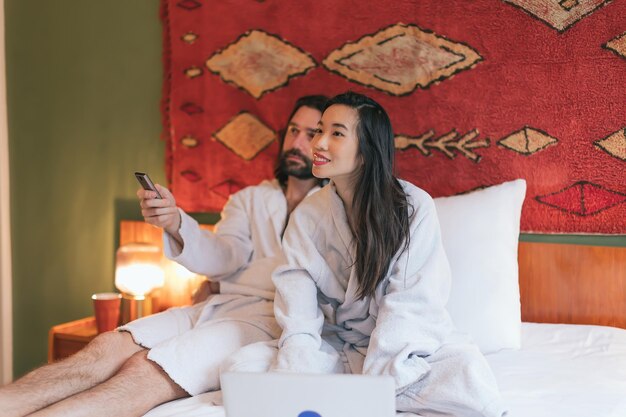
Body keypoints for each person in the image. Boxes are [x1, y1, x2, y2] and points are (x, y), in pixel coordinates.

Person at [0, 94, 328, 417]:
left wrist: (226, 282)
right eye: (293, 130)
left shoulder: (333, 210)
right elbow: (224, 257)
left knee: (143, 371)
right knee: (104, 348)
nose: (297, 141)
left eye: (311, 134)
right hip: (213, 306)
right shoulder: (250, 199)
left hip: (263, 320)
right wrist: (175, 223)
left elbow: (309, 280)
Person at [222, 92, 507, 417]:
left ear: (366, 150)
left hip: (403, 350)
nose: (319, 143)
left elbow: (411, 307)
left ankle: (350, 397)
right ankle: (344, 395)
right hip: (338, 344)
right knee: (242, 366)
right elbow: (299, 316)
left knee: (467, 376)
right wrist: (295, 375)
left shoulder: (413, 208)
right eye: (319, 131)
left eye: (336, 133)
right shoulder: (307, 216)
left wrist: (378, 383)